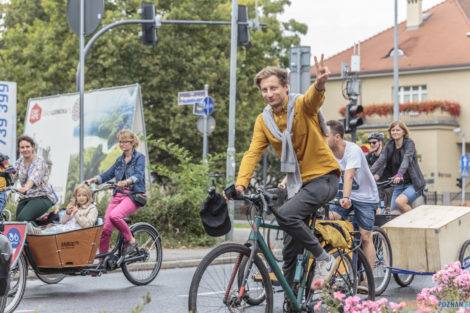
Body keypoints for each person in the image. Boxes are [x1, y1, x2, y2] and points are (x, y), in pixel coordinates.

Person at [226, 55, 341, 289]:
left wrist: (319, 84)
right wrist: (240, 184)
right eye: (264, 90)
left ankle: (325, 259)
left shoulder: (300, 106)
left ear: (286, 87)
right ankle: (292, 303)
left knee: (286, 215)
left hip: (323, 177)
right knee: (289, 252)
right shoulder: (264, 120)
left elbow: (313, 99)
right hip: (296, 185)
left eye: (274, 88)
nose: (269, 94)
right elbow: (252, 153)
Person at [325, 120, 378, 271]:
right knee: (332, 222)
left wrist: (347, 198)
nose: (323, 138)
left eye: (326, 135)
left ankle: (369, 278)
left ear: (337, 137)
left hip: (365, 197)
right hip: (343, 196)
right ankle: (342, 268)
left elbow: (348, 176)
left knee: (366, 236)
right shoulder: (327, 152)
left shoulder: (353, 150)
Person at [86, 129, 145, 256]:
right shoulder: (119, 160)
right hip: (118, 195)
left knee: (115, 216)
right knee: (105, 230)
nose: (122, 144)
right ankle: (103, 261)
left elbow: (139, 175)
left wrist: (127, 181)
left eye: (125, 142)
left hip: (134, 195)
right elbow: (108, 174)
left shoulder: (140, 158)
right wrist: (95, 179)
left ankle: (131, 241)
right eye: (120, 142)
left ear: (132, 143)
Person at [370, 120, 426, 214]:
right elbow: (380, 161)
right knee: (393, 214)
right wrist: (368, 173)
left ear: (404, 132)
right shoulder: (389, 145)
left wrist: (399, 174)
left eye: (398, 130)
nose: (395, 132)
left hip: (414, 184)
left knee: (400, 202)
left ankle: (416, 223)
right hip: (399, 185)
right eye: (393, 130)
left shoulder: (409, 143)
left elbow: (406, 160)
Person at [13, 136, 56, 222]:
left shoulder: (39, 161)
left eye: (27, 146)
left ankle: (44, 232)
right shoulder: (19, 162)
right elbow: (10, 175)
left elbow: (33, 178)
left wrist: (25, 188)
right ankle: (38, 229)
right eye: (22, 147)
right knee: (17, 223)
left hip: (42, 197)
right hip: (25, 197)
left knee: (22, 220)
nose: (25, 149)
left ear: (33, 147)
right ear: (19, 149)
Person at [27, 184, 97, 235]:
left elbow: (88, 225)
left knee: (54, 231)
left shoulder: (92, 208)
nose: (81, 198)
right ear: (76, 197)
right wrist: (67, 213)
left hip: (76, 234)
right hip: (65, 229)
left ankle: (38, 233)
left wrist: (77, 213)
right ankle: (37, 232)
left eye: (84, 195)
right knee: (52, 228)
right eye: (79, 195)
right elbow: (62, 221)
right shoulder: (75, 205)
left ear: (88, 196)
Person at [366, 132, 394, 211]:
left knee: (386, 210)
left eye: (374, 142)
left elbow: (378, 174)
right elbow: (362, 166)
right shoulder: (370, 156)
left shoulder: (386, 155)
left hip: (388, 186)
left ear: (380, 142)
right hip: (376, 186)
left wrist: (368, 179)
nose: (371, 144)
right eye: (370, 143)